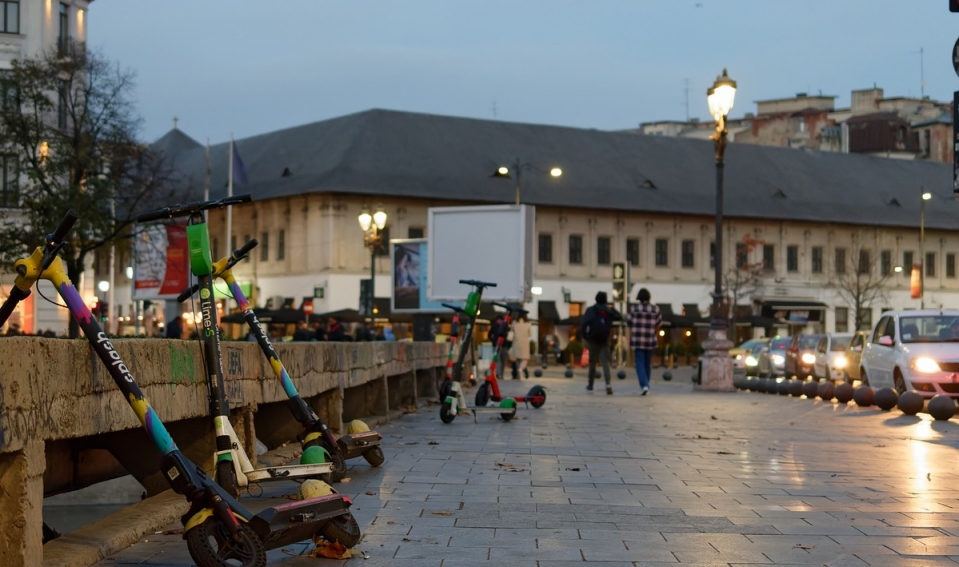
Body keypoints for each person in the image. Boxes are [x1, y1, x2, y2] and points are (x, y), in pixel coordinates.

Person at [580, 292, 621, 395]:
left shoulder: (591, 310)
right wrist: (612, 308)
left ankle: (590, 384)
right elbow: (619, 317)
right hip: (604, 339)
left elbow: (584, 323)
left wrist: (585, 336)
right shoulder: (607, 310)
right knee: (605, 363)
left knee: (592, 362)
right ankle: (608, 384)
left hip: (593, 339)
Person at [627, 288, 662, 396]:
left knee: (640, 363)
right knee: (647, 363)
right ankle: (646, 383)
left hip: (637, 340)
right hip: (650, 340)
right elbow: (659, 323)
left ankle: (644, 384)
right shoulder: (655, 309)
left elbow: (628, 321)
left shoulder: (634, 308)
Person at [510, 314, 532, 379]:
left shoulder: (514, 322)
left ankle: (518, 374)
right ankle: (520, 369)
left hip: (516, 343)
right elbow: (530, 334)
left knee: (517, 359)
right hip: (524, 343)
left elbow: (512, 331)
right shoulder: (528, 323)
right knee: (525, 359)